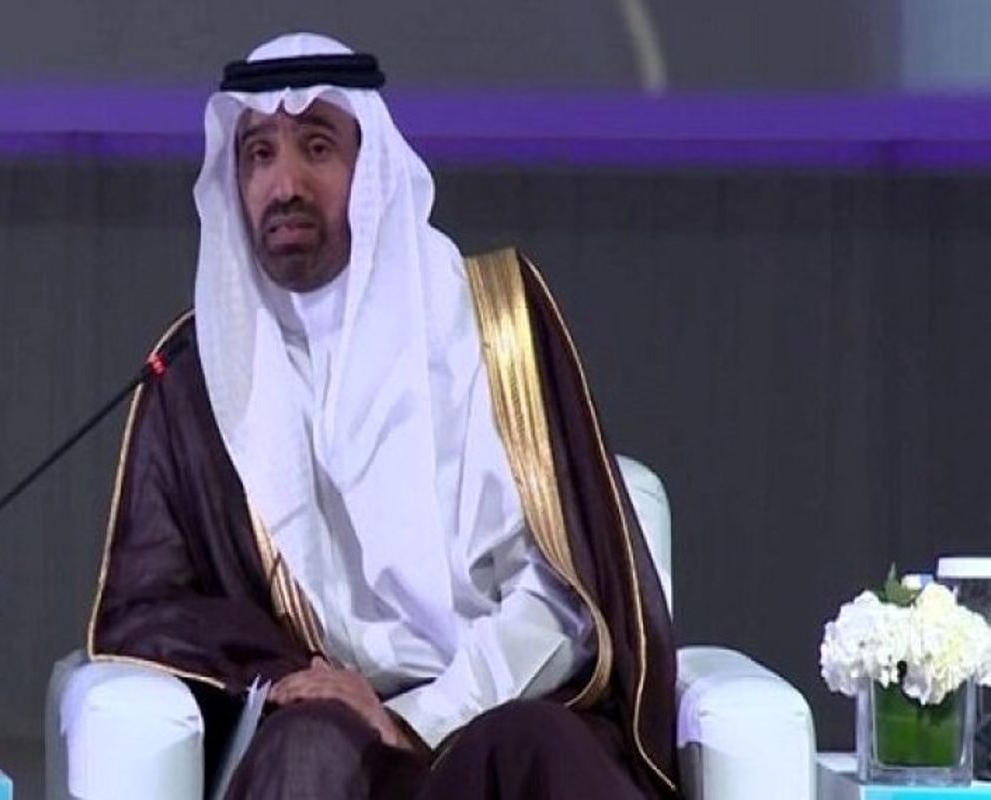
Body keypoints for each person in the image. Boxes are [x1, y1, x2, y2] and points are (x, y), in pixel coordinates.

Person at [76, 31, 678, 800]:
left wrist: (422, 714)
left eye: (316, 148)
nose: (285, 185)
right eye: (259, 155)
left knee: (534, 742)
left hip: (498, 707)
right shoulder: (194, 376)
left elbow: (565, 595)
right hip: (327, 723)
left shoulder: (496, 326)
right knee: (310, 749)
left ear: (373, 169)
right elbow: (153, 602)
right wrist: (297, 677)